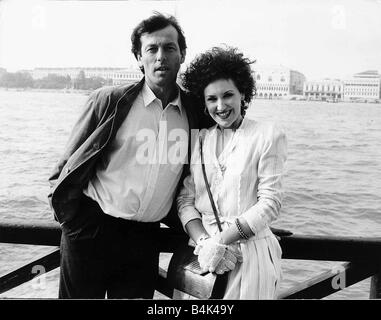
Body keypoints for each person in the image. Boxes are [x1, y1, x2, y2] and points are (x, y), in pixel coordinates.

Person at [48, 12, 205, 299]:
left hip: (145, 239)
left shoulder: (194, 112)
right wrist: (74, 224)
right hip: (92, 230)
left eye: (170, 48)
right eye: (152, 49)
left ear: (182, 55)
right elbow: (65, 168)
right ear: (138, 57)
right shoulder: (109, 100)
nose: (161, 57)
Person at [177, 46, 288, 299]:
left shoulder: (267, 136)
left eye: (228, 95)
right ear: (204, 104)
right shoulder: (200, 140)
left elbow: (270, 203)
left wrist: (223, 240)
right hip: (202, 260)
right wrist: (205, 243)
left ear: (243, 94)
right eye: (211, 99)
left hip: (250, 257)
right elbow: (185, 200)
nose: (221, 105)